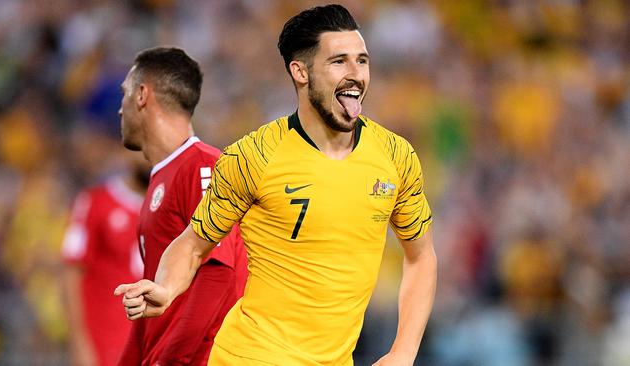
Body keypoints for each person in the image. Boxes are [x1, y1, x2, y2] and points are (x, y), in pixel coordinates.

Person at [116, 5, 436, 366]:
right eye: (339, 62)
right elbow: (193, 243)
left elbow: (421, 257)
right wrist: (166, 288)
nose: (356, 74)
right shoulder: (253, 156)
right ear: (300, 72)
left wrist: (404, 351)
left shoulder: (395, 156)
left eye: (362, 61)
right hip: (251, 356)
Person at [114, 47, 248, 366]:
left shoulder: (204, 166)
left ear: (142, 95)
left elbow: (221, 273)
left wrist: (172, 360)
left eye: (124, 94)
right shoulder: (162, 178)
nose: (120, 109)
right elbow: (152, 315)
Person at [62, 152, 149, 366]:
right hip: (105, 343)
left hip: (150, 344)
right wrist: (80, 344)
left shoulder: (169, 207)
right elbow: (71, 273)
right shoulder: (95, 202)